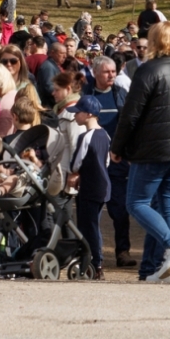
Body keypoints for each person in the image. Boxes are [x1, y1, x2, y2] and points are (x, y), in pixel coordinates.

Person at [112, 20, 170, 283]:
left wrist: (118, 146)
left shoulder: (148, 70)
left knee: (136, 203)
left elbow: (131, 113)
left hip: (153, 148)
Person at [83, 56, 132, 267]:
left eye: (113, 71)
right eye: (106, 72)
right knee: (90, 211)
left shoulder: (120, 94)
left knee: (119, 209)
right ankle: (90, 253)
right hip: (93, 162)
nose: (112, 75)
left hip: (117, 160)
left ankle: (123, 251)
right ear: (95, 73)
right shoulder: (86, 96)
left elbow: (130, 124)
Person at [67, 93, 111, 279]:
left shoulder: (85, 137)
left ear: (89, 114)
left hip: (90, 186)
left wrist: (75, 173)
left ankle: (94, 261)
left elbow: (76, 163)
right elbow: (107, 161)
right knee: (93, 224)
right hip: (103, 185)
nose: (75, 116)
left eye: (78, 112)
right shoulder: (105, 134)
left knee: (88, 226)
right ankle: (94, 260)